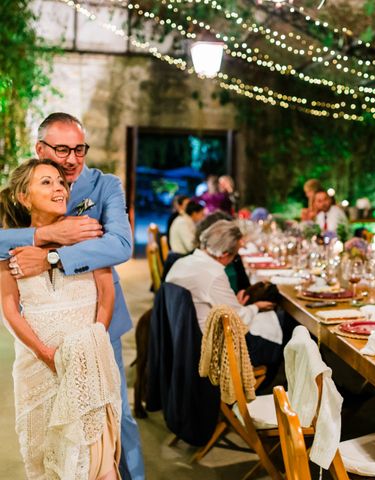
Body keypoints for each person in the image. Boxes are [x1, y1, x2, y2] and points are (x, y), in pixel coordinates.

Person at [0, 113, 144, 479]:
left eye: (79, 148)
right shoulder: (26, 186)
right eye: (62, 149)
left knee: (116, 419)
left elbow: (121, 244)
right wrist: (44, 236)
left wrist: (53, 256)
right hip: (41, 340)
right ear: (41, 148)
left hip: (96, 327)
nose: (72, 159)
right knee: (50, 437)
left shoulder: (104, 185)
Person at [165, 220, 287, 377]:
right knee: (284, 324)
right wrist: (256, 307)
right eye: (235, 255)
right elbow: (238, 319)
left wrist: (237, 305)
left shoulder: (181, 263)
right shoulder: (213, 273)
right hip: (211, 351)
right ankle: (272, 388)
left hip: (182, 342)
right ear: (224, 254)